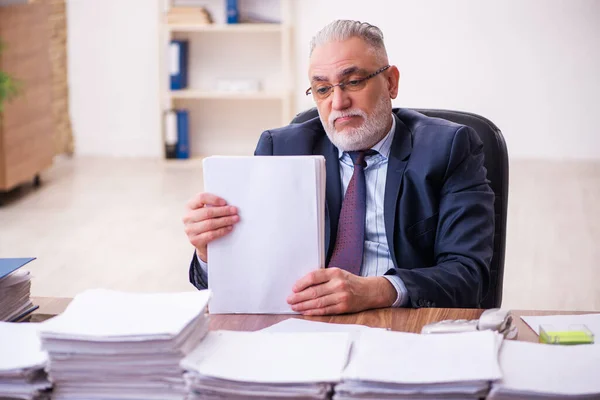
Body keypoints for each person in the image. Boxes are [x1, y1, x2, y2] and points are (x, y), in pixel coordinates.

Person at [183, 20, 494, 314]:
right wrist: (212, 254)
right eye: (323, 89)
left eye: (353, 82)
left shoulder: (450, 148)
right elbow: (245, 279)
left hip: (403, 324)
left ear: (391, 82)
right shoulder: (281, 150)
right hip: (303, 323)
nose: (338, 102)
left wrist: (377, 290)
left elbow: (468, 277)